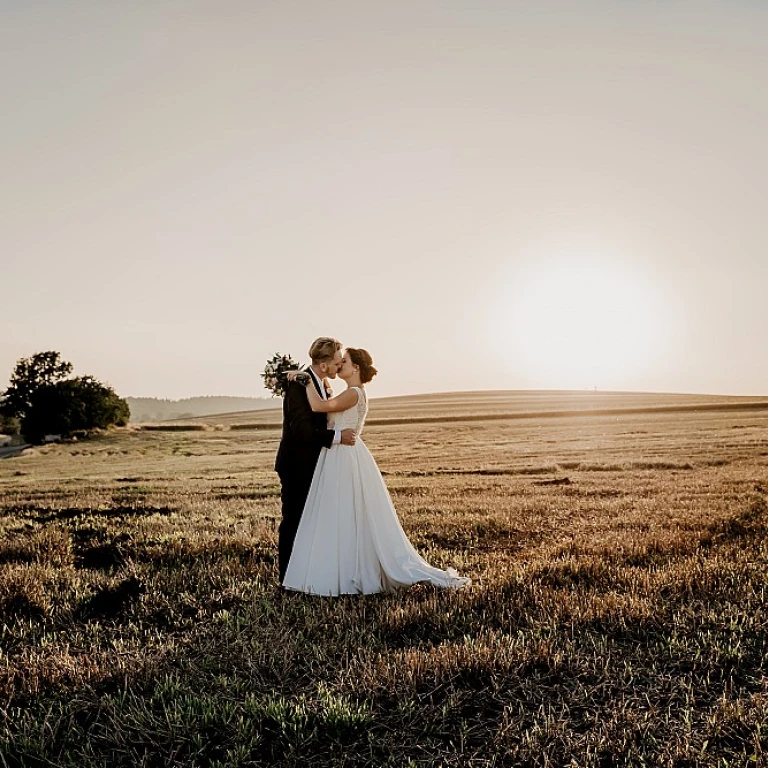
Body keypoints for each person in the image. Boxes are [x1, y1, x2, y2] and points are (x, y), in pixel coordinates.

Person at [283, 347, 469, 595]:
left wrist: (305, 381)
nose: (339, 365)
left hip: (345, 457)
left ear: (356, 368)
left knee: (347, 511)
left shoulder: (353, 393)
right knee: (340, 514)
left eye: (344, 361)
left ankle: (348, 572)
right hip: (336, 456)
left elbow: (318, 408)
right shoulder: (347, 392)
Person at [274, 337, 356, 584]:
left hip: (315, 465)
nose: (339, 365)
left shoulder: (320, 384)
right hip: (297, 465)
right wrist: (338, 436)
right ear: (323, 365)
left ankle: (307, 574)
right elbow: (302, 430)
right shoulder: (299, 386)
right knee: (294, 520)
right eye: (337, 361)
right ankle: (287, 579)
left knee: (312, 522)